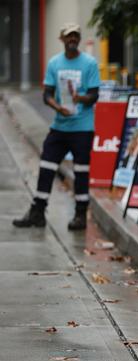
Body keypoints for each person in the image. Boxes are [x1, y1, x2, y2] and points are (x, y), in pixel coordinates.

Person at [13, 22, 100, 230]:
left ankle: (80, 215)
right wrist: (57, 107)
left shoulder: (89, 63)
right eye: (68, 36)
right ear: (61, 39)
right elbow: (47, 94)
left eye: (75, 36)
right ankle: (38, 212)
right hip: (60, 127)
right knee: (46, 166)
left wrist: (81, 98)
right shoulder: (54, 63)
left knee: (81, 171)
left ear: (78, 39)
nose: (72, 40)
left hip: (82, 128)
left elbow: (95, 95)